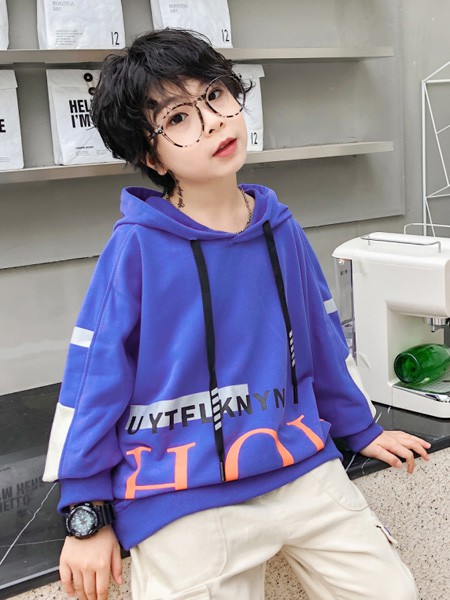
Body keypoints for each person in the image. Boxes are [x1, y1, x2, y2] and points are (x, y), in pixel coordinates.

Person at [43, 28, 430, 600]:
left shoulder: (281, 227)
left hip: (301, 468)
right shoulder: (136, 248)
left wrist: (360, 428)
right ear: (150, 155)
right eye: (178, 118)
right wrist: (86, 511)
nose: (213, 122)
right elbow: (96, 377)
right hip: (181, 495)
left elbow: (321, 337)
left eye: (215, 95)